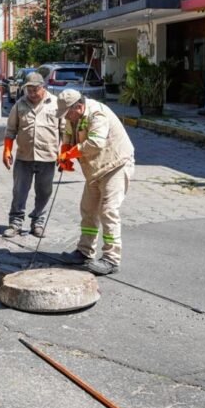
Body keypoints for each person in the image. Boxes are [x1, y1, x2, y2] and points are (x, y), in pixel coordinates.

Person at [56, 88, 135, 275]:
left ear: (79, 106)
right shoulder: (72, 116)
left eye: (68, 113)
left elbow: (95, 143)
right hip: (95, 169)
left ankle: (111, 259)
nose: (66, 117)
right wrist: (64, 154)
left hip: (116, 165)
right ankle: (84, 252)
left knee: (108, 211)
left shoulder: (98, 114)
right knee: (88, 209)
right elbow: (68, 135)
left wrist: (71, 153)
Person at [1, 72, 65, 238]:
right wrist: (7, 150)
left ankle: (38, 223)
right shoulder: (19, 105)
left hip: (48, 157)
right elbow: (10, 131)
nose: (31, 93)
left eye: (35, 90)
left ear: (43, 87)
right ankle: (15, 223)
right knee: (19, 192)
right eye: (28, 90)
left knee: (44, 192)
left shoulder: (56, 104)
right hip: (24, 157)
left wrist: (64, 153)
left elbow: (65, 131)